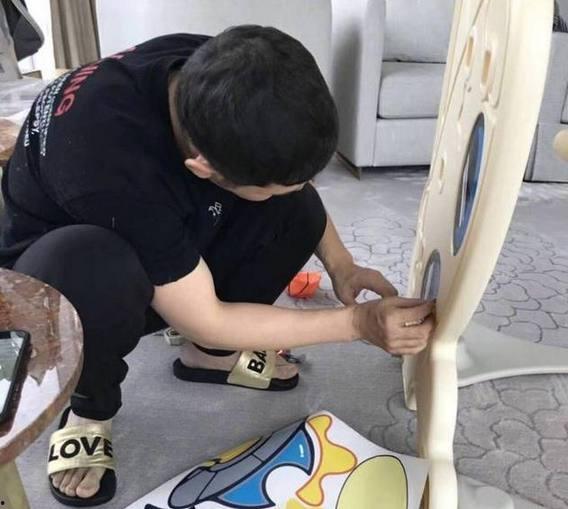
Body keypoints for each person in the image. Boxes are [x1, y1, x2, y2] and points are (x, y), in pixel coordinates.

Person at [0, 26, 434, 506]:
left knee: (294, 211)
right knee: (90, 266)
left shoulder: (222, 66)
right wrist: (356, 323)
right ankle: (88, 409)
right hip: (55, 277)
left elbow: (294, 189)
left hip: (152, 224)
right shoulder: (110, 168)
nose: (298, 188)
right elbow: (207, 315)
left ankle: (210, 356)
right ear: (203, 167)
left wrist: (343, 265)